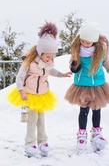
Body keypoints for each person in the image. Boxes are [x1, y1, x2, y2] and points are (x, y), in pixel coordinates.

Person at [7, 22, 72, 157]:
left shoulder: (48, 63)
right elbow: (19, 77)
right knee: (32, 120)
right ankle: (30, 143)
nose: (50, 59)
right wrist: (21, 91)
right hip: (29, 94)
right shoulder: (29, 63)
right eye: (48, 56)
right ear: (40, 52)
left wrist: (62, 74)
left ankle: (43, 141)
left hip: (42, 95)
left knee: (41, 120)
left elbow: (51, 71)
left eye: (52, 56)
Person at [65, 22, 109, 152]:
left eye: (88, 42)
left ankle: (96, 134)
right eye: (83, 41)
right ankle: (81, 134)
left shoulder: (100, 51)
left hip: (98, 85)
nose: (85, 43)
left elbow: (107, 64)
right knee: (84, 110)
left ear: (94, 41)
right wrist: (74, 66)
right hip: (82, 85)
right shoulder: (76, 50)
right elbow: (71, 63)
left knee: (97, 110)